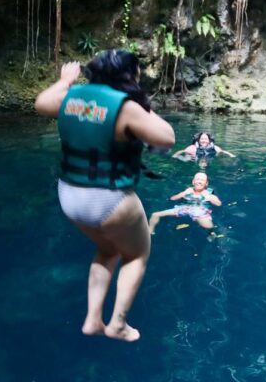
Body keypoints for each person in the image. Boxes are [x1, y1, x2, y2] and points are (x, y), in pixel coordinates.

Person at [34, 50, 176, 342]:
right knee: (136, 255)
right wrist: (139, 101)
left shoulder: (72, 97)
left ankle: (92, 320)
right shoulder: (125, 106)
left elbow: (40, 104)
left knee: (108, 251)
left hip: (70, 197)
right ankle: (117, 324)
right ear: (128, 76)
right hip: (109, 199)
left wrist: (64, 81)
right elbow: (166, 137)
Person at [148, 172, 222, 236]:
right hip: (185, 208)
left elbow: (218, 204)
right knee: (155, 214)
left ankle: (211, 233)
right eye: (197, 179)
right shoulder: (188, 191)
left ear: (206, 183)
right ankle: (150, 232)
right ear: (193, 182)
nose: (199, 181)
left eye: (202, 180)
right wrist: (183, 194)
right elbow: (172, 199)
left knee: (209, 227)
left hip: (200, 211)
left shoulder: (209, 193)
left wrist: (208, 197)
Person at [172, 132, 236, 159]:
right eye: (202, 139)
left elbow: (222, 151)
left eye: (206, 139)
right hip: (194, 157)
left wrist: (231, 155)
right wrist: (176, 155)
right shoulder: (193, 147)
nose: (204, 141)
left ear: (209, 141)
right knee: (186, 160)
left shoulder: (214, 147)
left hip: (208, 157)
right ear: (199, 140)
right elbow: (182, 151)